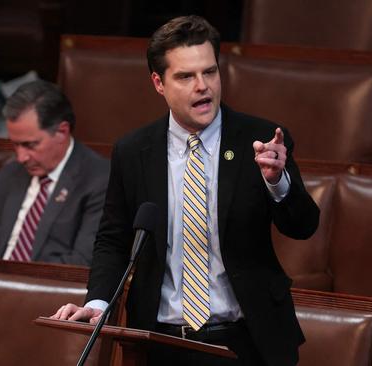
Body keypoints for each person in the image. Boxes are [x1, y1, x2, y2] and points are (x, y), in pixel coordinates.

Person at [51, 15, 319, 365]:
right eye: (186, 76)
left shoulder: (261, 140)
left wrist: (276, 182)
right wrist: (98, 304)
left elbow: (303, 226)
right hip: (161, 342)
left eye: (209, 72)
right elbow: (114, 239)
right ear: (158, 83)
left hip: (248, 343)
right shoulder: (134, 152)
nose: (202, 86)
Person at [0, 80, 109, 265]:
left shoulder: (99, 180)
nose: (21, 157)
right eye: (15, 145)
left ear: (62, 132)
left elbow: (84, 262)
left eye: (30, 145)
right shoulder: (9, 174)